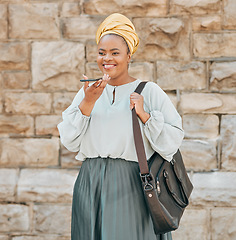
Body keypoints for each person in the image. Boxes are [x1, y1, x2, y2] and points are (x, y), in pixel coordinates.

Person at [58, 13, 184, 240]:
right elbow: (69, 141)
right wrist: (87, 103)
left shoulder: (149, 91)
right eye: (102, 52)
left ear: (129, 55)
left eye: (115, 53)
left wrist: (145, 115)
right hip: (90, 182)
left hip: (131, 185)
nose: (107, 58)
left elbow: (171, 143)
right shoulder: (87, 92)